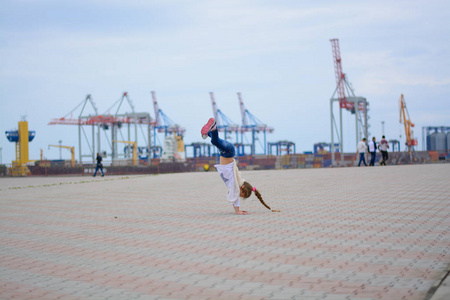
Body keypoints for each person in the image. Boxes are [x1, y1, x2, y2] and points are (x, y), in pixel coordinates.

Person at [201, 118, 279, 215]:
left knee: (215, 141)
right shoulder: (236, 184)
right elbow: (235, 197)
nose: (239, 196)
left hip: (227, 152)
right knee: (215, 142)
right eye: (241, 195)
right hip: (228, 152)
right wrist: (238, 211)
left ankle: (208, 132)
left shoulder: (237, 183)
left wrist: (236, 209)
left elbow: (234, 197)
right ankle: (213, 127)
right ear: (242, 188)